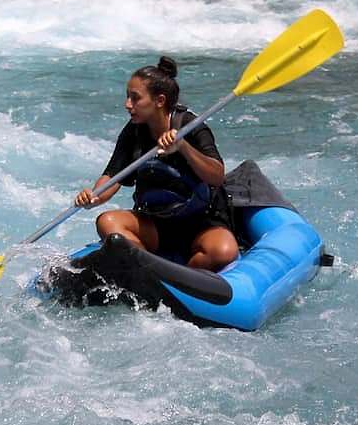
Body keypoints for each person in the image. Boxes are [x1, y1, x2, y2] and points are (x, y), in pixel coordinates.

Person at [75, 56, 238, 272]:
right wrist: (93, 197)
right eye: (127, 97)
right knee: (107, 222)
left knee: (223, 252)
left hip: (201, 222)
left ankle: (182, 278)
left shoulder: (191, 126)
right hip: (155, 222)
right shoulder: (133, 131)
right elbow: (113, 176)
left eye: (135, 98)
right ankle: (148, 272)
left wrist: (183, 147)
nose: (127, 105)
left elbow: (217, 176)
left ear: (159, 101)